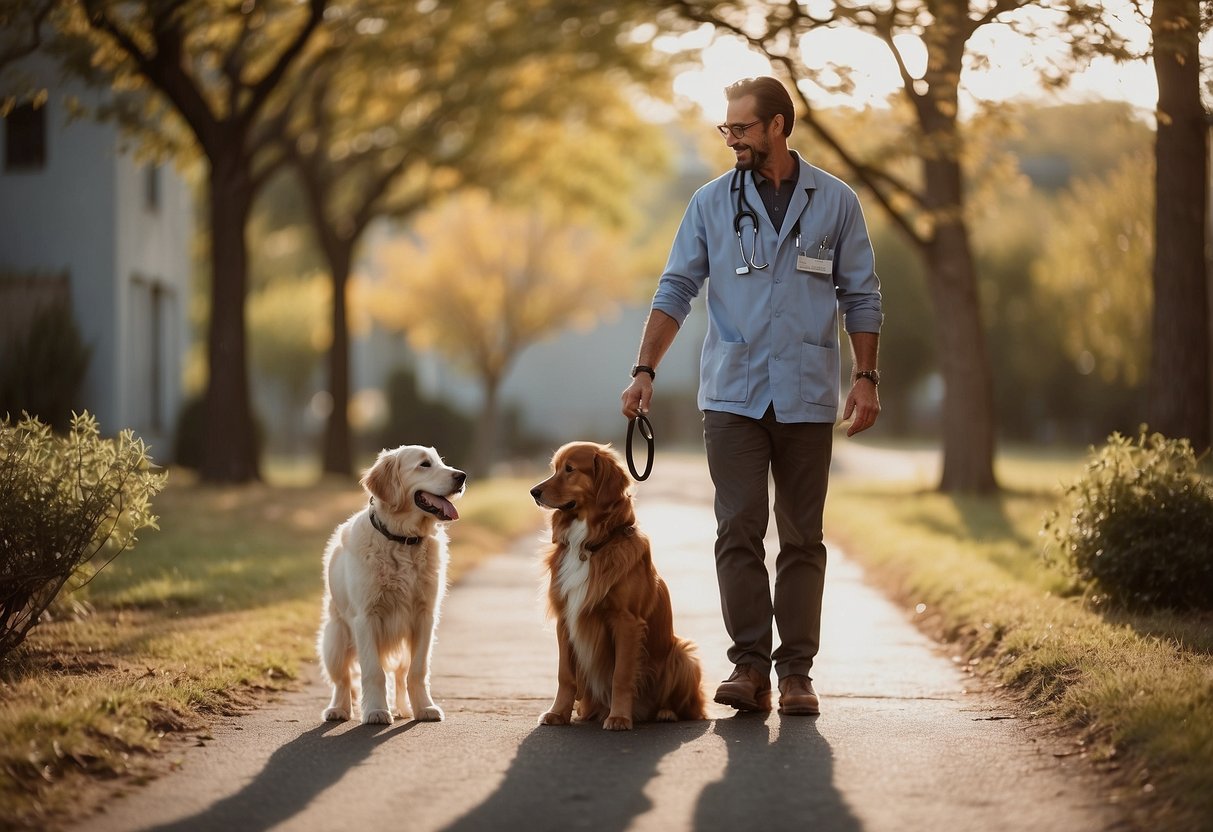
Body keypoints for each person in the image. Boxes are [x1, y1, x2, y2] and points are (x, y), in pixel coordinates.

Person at [620, 76, 883, 716]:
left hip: (807, 393)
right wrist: (644, 368)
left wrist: (867, 378)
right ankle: (748, 667)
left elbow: (862, 293)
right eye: (726, 129)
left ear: (777, 127)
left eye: (741, 128)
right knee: (738, 528)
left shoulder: (836, 202)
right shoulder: (711, 203)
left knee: (801, 536)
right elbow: (677, 286)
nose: (731, 138)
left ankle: (796, 674)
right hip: (734, 396)